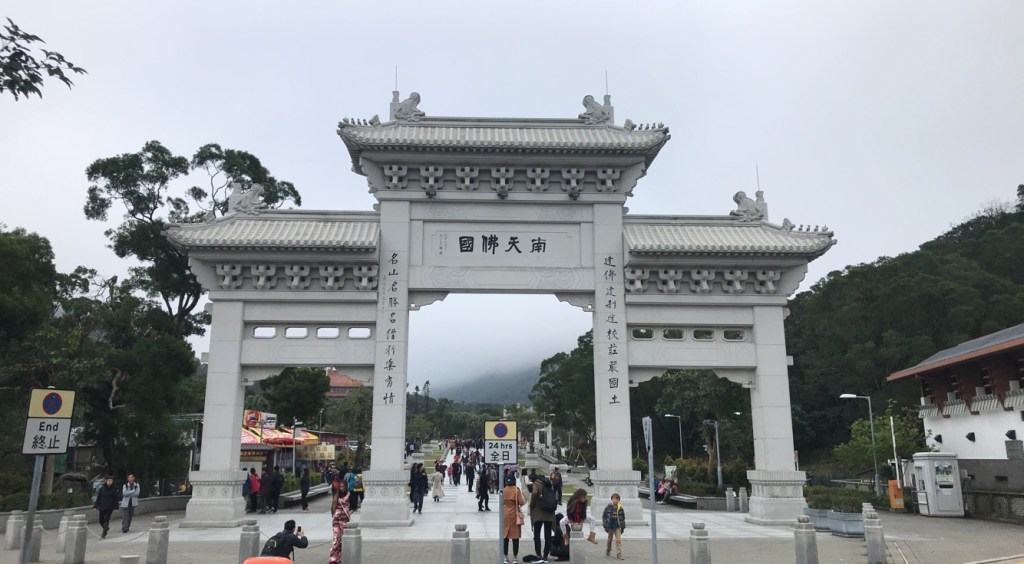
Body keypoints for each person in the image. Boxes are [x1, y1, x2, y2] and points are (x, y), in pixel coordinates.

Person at [528, 470, 555, 563]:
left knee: (537, 535)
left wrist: (532, 504)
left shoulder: (537, 484)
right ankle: (545, 556)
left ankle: (539, 555)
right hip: (549, 512)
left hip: (538, 512)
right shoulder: (549, 484)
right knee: (547, 535)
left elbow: (534, 493)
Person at [502, 475, 527, 564]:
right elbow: (522, 502)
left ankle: (505, 557)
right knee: (515, 537)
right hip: (514, 515)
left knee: (505, 537)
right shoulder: (516, 490)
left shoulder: (504, 490)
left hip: (505, 514)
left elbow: (502, 502)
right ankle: (515, 558)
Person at [328, 479, 353, 563]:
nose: (342, 488)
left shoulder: (349, 495)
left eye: (343, 486)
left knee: (343, 540)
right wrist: (334, 514)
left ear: (346, 487)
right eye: (340, 486)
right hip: (336, 520)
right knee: (336, 539)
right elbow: (333, 506)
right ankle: (333, 558)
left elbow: (353, 506)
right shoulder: (336, 495)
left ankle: (341, 557)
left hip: (344, 520)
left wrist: (349, 512)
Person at [601, 492, 626, 560]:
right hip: (610, 526)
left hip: (617, 526)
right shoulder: (608, 508)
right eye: (614, 499)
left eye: (617, 499)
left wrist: (623, 525)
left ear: (619, 500)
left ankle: (619, 553)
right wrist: (605, 524)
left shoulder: (620, 508)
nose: (615, 500)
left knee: (618, 540)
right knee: (610, 539)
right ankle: (608, 550)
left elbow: (623, 518)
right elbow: (604, 517)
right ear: (611, 499)